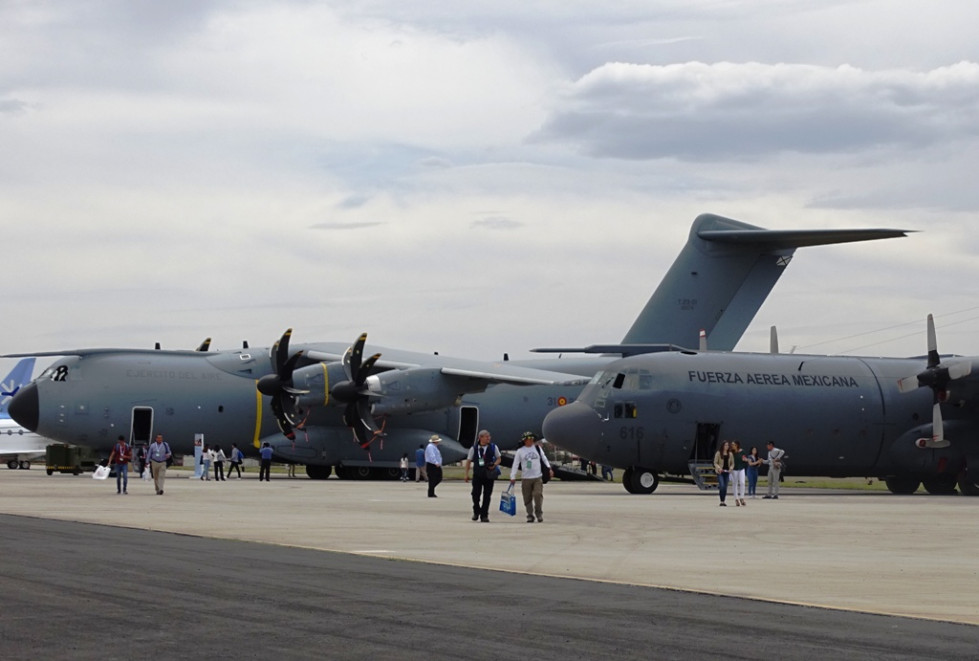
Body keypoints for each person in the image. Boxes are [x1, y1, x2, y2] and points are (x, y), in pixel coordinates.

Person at [509, 431, 552, 523]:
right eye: (529, 439)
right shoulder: (520, 451)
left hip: (537, 477)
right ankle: (530, 515)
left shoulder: (537, 448)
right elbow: (515, 464)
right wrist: (513, 476)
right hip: (526, 478)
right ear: (525, 440)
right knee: (527, 498)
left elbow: (544, 459)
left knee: (537, 494)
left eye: (532, 439)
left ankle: (539, 513)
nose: (531, 440)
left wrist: (549, 468)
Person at [464, 430, 501, 522]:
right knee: (475, 494)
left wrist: (495, 465)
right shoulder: (474, 448)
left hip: (489, 475)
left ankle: (484, 514)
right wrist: (466, 474)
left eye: (489, 436)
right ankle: (476, 511)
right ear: (480, 438)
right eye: (486, 436)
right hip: (478, 474)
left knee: (487, 495)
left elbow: (499, 458)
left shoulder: (493, 447)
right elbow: (468, 461)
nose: (488, 438)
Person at [713, 440, 733, 507]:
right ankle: (721, 501)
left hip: (727, 472)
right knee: (722, 486)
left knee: (725, 487)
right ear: (722, 446)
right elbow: (715, 462)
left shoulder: (730, 454)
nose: (726, 446)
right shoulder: (718, 453)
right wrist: (719, 468)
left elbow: (732, 463)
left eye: (727, 445)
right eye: (725, 445)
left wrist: (731, 468)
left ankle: (723, 501)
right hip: (720, 472)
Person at [731, 440, 746, 507]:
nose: (732, 446)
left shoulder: (742, 451)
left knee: (742, 482)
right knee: (735, 483)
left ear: (737, 445)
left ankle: (742, 497)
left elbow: (744, 458)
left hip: (741, 468)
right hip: (734, 469)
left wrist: (745, 460)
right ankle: (736, 498)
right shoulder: (731, 453)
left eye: (733, 445)